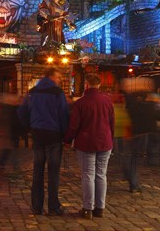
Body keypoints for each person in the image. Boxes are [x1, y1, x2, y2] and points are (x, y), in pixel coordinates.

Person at [18, 67, 70, 216]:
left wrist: (29, 126)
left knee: (38, 171)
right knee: (53, 172)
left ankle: (37, 206)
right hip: (54, 135)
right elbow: (63, 114)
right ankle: (53, 207)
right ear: (52, 77)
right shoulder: (57, 93)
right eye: (59, 77)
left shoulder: (33, 92)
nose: (60, 80)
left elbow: (21, 112)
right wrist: (65, 135)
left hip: (38, 134)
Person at [65, 74, 115, 220]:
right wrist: (111, 140)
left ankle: (88, 208)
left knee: (88, 175)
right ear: (99, 85)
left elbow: (74, 125)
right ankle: (100, 208)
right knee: (101, 175)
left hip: (86, 142)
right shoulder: (107, 101)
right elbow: (111, 123)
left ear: (86, 85)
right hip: (105, 142)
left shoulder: (80, 103)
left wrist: (67, 140)